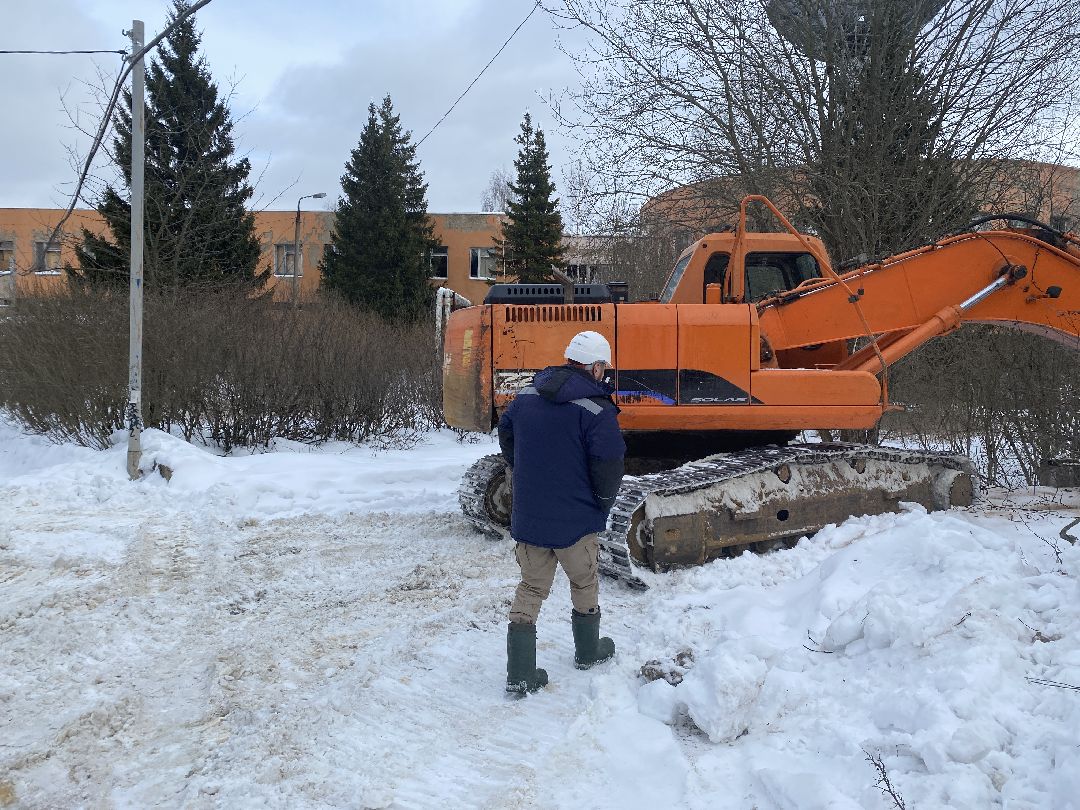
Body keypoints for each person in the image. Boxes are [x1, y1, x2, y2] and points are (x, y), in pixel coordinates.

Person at [497, 330, 626, 695]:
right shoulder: (597, 409)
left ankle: (520, 672)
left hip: (531, 518)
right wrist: (601, 502)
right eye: (604, 367)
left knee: (531, 587)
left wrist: (523, 470)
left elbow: (507, 437)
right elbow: (609, 465)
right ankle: (589, 651)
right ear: (596, 366)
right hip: (576, 522)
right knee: (583, 581)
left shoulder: (525, 397)